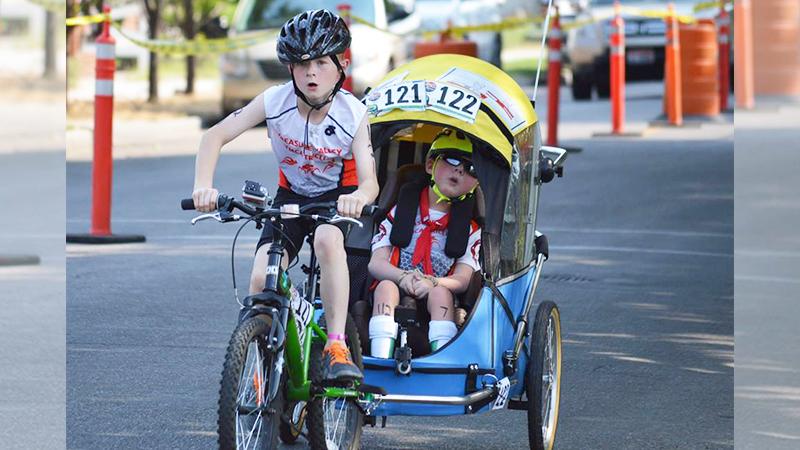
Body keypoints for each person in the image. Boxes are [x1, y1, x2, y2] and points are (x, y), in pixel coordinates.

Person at [191, 10, 378, 382]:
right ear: (290, 68)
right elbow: (214, 136)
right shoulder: (274, 102)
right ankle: (263, 364)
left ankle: (336, 344)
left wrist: (358, 197)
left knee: (327, 241)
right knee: (261, 278)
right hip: (290, 196)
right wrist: (203, 186)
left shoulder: (353, 114)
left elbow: (370, 182)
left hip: (337, 198)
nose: (311, 73)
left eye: (321, 63)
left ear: (341, 66)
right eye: (302, 64)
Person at [367, 129, 482, 358]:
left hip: (439, 288)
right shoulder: (399, 212)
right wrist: (402, 277)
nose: (460, 170)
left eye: (470, 168)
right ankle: (379, 357)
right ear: (430, 164)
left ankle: (442, 359)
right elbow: (376, 263)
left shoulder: (470, 229)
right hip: (397, 280)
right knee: (385, 287)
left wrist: (433, 282)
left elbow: (462, 279)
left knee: (441, 295)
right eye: (452, 160)